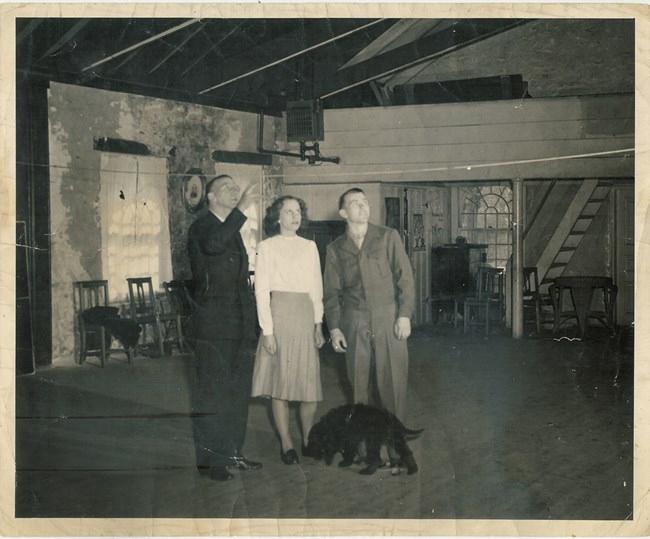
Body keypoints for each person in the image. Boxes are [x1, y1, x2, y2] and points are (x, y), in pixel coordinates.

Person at [186, 174, 263, 481]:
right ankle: (211, 463)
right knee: (212, 394)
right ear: (211, 197)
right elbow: (213, 245)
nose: (235, 190)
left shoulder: (232, 230)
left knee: (237, 393)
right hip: (213, 327)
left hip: (239, 326)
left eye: (236, 186)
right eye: (228, 188)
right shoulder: (203, 226)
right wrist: (242, 209)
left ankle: (234, 452)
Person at [323, 187, 415, 424]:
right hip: (354, 321)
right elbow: (331, 294)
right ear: (343, 213)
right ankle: (367, 451)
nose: (363, 206)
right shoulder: (335, 248)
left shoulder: (387, 236)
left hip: (388, 318)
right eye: (355, 203)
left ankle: (397, 452)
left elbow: (405, 277)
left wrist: (404, 315)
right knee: (359, 389)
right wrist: (334, 329)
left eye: (365, 202)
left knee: (393, 387)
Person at [251, 196, 325, 465]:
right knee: (280, 385)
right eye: (289, 211)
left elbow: (317, 288)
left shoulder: (310, 246)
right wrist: (267, 331)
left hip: (305, 317)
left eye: (298, 211)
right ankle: (286, 442)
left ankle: (308, 438)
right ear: (277, 217)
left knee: (309, 388)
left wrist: (318, 324)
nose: (295, 216)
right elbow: (261, 291)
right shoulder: (265, 247)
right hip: (279, 316)